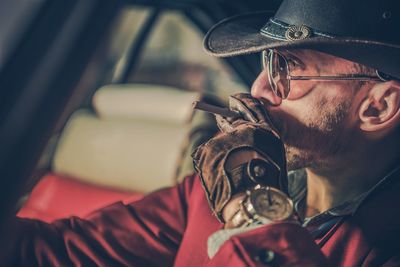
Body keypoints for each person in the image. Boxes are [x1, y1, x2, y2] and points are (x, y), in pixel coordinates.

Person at [1, 0, 400, 266]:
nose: (258, 88)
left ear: (378, 107)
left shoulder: (384, 243)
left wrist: (251, 199)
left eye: (287, 69)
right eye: (267, 62)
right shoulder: (214, 188)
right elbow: (58, 252)